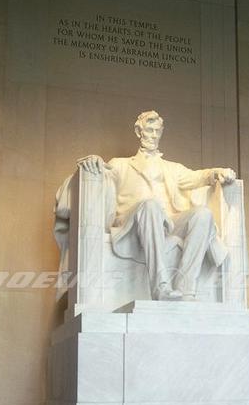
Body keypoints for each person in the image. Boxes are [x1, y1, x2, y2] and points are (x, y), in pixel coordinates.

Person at [75, 111, 237, 300]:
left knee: (203, 215)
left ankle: (186, 288)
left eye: (157, 131)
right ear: (139, 132)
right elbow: (103, 173)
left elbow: (198, 176)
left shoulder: (172, 168)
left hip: (168, 222)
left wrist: (217, 172)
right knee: (150, 206)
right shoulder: (120, 165)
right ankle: (161, 287)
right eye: (149, 130)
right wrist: (94, 161)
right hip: (134, 224)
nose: (153, 135)